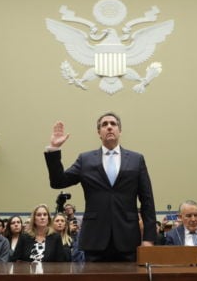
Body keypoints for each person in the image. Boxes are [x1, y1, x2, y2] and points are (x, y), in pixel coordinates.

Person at [44, 112, 156, 262]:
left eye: (113, 124)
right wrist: (54, 149)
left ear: (119, 130)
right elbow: (58, 182)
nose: (109, 127)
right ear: (99, 133)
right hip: (95, 239)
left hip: (128, 238)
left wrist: (149, 238)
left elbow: (147, 200)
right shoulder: (86, 159)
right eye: (104, 125)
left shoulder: (136, 159)